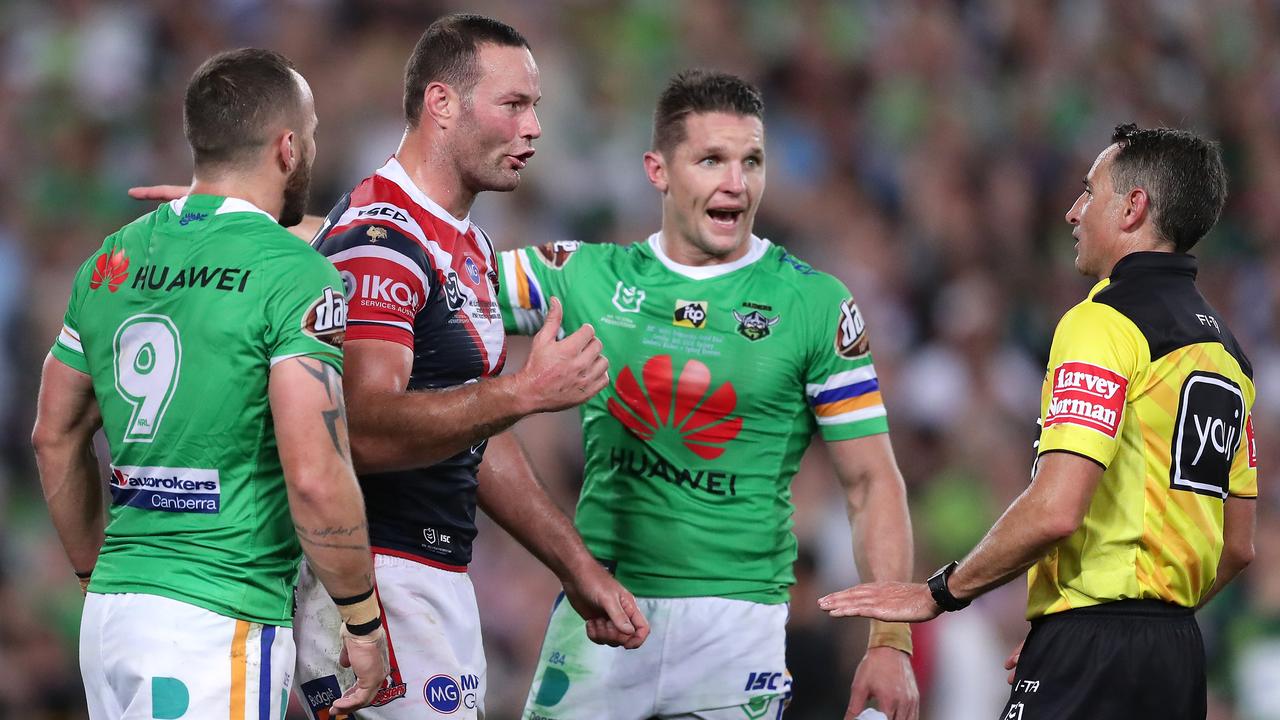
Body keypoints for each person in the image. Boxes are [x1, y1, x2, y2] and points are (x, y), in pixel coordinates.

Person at [497, 70, 919, 720]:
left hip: (738, 626)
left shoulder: (813, 304)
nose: (736, 183)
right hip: (603, 609)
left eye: (752, 161)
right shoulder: (586, 276)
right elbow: (440, 277)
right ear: (658, 171)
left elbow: (870, 482)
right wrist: (318, 234)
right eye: (712, 161)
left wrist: (890, 641)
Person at [819, 124, 1257, 720]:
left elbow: (1055, 508)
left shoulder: (1103, 322)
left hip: (1095, 649)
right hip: (1177, 655)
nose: (1074, 212)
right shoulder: (1228, 354)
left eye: (1090, 192)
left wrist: (940, 592)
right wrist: (1111, 620)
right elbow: (1236, 546)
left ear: (1133, 208)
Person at [292, 15, 649, 720]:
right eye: (514, 104)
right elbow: (360, 427)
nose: (535, 127)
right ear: (442, 104)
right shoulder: (381, 238)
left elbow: (470, 430)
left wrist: (575, 567)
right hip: (375, 586)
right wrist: (524, 391)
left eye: (536, 107)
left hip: (430, 582)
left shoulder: (470, 246)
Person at [33, 49, 389, 719]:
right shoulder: (295, 275)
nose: (311, 146)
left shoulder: (110, 258)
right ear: (289, 147)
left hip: (113, 618)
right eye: (309, 133)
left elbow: (54, 437)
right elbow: (314, 474)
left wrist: (96, 578)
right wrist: (361, 620)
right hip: (215, 618)